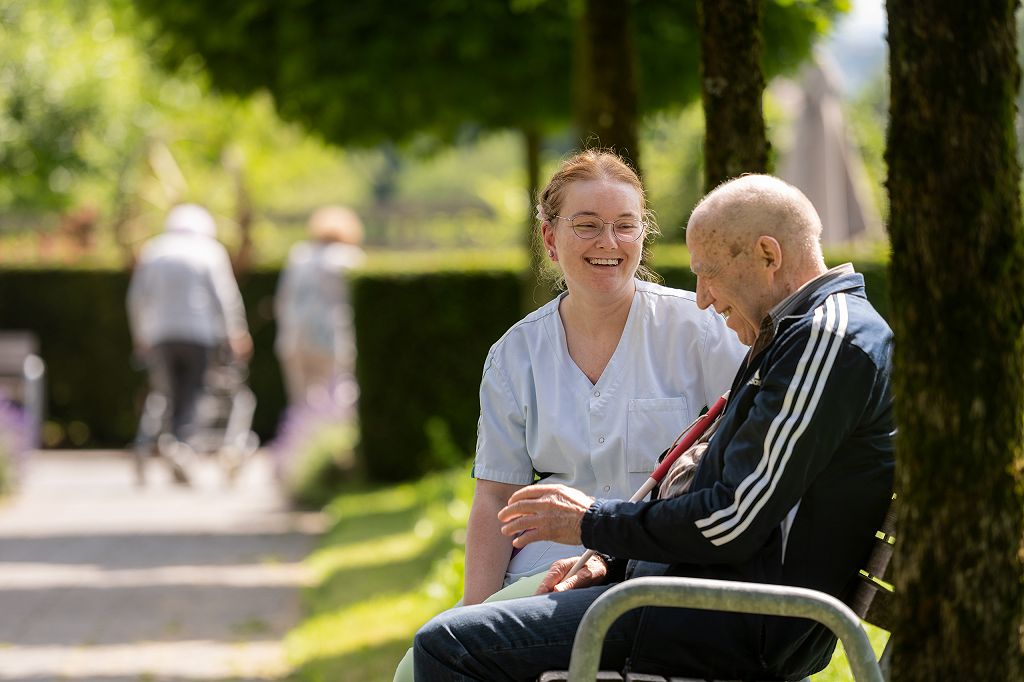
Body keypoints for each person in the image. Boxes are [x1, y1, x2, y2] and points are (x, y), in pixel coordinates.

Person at [412, 174, 896, 681]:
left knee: (447, 646)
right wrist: (611, 560)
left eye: (708, 274)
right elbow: (723, 501)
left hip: (736, 618)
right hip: (698, 598)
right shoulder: (798, 335)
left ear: (768, 255)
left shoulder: (825, 337)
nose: (704, 299)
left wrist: (591, 522)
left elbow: (729, 520)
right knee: (455, 636)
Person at [394, 150, 746, 681]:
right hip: (545, 571)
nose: (609, 243)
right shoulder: (515, 355)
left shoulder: (698, 329)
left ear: (643, 236)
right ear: (550, 239)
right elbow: (494, 497)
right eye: (587, 226)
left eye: (625, 226)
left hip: (652, 565)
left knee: (426, 661)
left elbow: (745, 451)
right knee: (425, 659)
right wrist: (473, 609)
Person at [127, 204, 252, 480]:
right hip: (199, 333)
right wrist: (236, 332)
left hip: (160, 334)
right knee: (195, 391)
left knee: (167, 392)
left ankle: (167, 442)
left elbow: (137, 299)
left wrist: (140, 335)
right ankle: (182, 443)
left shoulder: (153, 251)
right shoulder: (210, 251)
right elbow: (225, 297)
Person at [274, 205, 365, 411]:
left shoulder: (299, 255)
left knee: (301, 400)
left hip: (294, 335)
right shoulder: (350, 258)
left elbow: (283, 298)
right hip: (332, 335)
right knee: (338, 394)